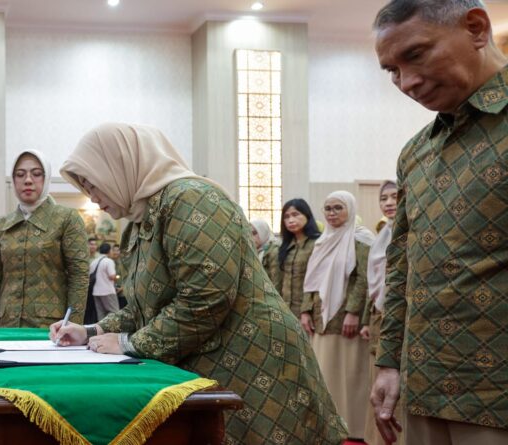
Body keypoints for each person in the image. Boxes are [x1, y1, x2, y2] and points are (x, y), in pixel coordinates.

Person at [52, 123, 347, 444]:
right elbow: (141, 308)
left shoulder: (191, 200)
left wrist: (128, 344)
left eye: (94, 186)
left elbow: (205, 300)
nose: (94, 200)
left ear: (119, 166)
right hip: (212, 362)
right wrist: (90, 331)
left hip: (255, 362)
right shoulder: (138, 222)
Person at [372, 1, 508, 443]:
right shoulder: (417, 153)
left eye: (415, 55)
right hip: (424, 388)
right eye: (391, 70)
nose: (406, 82)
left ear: (475, 28)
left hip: (496, 396)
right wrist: (389, 361)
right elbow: (402, 265)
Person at [0, 150, 89, 328]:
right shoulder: (1, 225)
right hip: (8, 325)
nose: (28, 180)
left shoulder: (67, 219)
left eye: (36, 174)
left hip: (51, 327)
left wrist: (73, 325)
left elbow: (79, 276)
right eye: (20, 175)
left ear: (46, 179)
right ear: (13, 181)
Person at [300, 191, 371, 442]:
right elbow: (311, 281)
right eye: (328, 208)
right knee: (326, 371)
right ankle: (331, 422)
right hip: (321, 318)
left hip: (346, 320)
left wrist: (353, 312)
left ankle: (354, 426)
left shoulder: (361, 240)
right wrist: (305, 311)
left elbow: (364, 279)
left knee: (351, 373)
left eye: (338, 208)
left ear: (350, 210)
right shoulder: (322, 242)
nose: (332, 213)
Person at [359, 181, 401, 445]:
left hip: (401, 317)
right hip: (379, 316)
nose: (388, 202)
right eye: (383, 198)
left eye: (394, 196)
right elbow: (371, 284)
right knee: (378, 376)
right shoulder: (383, 234)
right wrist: (366, 319)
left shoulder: (408, 231)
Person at [266, 199, 322, 318]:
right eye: (286, 217)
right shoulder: (284, 246)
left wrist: (307, 310)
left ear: (307, 216)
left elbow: (318, 281)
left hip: (310, 311)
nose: (291, 220)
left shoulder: (318, 244)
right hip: (286, 310)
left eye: (296, 214)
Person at [89, 242, 119, 320]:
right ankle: (113, 332)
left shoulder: (94, 261)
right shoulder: (108, 261)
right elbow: (112, 276)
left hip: (96, 292)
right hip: (107, 291)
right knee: (114, 313)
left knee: (101, 315)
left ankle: (102, 332)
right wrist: (118, 277)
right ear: (109, 251)